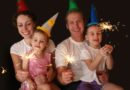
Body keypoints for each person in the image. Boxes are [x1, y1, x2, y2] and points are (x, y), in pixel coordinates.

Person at [10, 10, 55, 89]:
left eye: (28, 24)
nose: (24, 28)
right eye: (20, 25)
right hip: (30, 85)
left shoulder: (49, 43)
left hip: (44, 82)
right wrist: (23, 77)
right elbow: (18, 73)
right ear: (17, 26)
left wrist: (51, 74)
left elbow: (54, 68)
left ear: (34, 23)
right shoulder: (16, 48)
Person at [77, 25, 123, 90]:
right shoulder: (85, 51)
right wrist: (100, 54)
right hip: (87, 83)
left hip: (101, 83)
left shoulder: (103, 49)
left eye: (98, 33)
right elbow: (91, 67)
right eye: (92, 34)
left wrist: (108, 54)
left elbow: (110, 67)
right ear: (86, 37)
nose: (96, 36)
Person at [55, 9, 86, 90]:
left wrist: (105, 76)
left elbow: (104, 70)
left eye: (78, 21)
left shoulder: (93, 41)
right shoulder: (62, 46)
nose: (76, 25)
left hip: (95, 82)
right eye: (71, 22)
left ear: (84, 22)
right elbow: (60, 74)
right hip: (74, 85)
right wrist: (64, 77)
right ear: (67, 26)